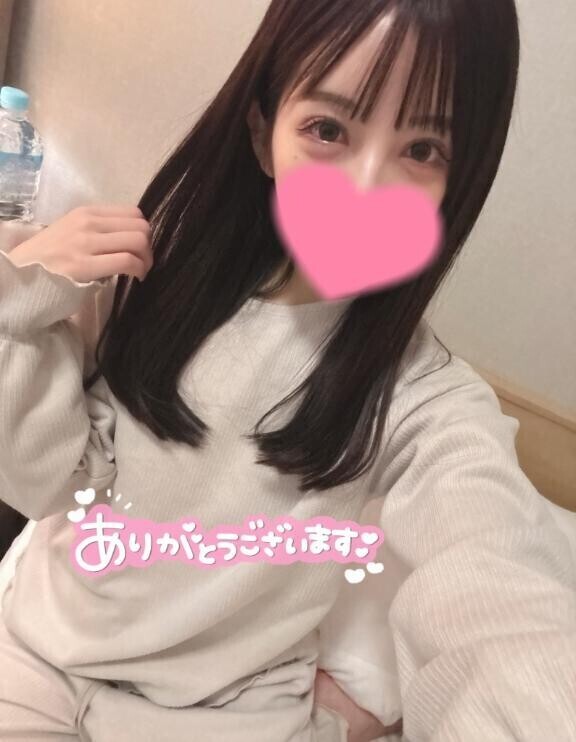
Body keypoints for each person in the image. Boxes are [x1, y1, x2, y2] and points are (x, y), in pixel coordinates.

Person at [0, 0, 574, 740]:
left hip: (225, 714)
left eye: (422, 149)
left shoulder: (424, 398)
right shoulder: (148, 279)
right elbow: (44, 481)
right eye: (328, 130)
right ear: (263, 134)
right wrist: (16, 298)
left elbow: (501, 596)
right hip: (40, 659)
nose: (366, 189)